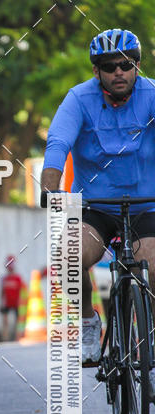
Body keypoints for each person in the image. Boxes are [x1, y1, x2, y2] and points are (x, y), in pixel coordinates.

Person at [42, 29, 155, 384]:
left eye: (126, 65)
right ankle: (89, 322)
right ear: (97, 72)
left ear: (137, 66)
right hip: (95, 205)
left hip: (147, 204)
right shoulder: (78, 99)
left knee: (151, 272)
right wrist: (51, 188)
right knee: (67, 258)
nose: (118, 72)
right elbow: (58, 143)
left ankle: (148, 343)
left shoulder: (152, 94)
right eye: (109, 66)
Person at [0, 255, 24, 341]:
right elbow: (2, 292)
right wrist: (0, 302)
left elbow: (22, 291)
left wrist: (21, 302)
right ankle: (5, 339)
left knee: (17, 321)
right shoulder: (4, 279)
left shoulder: (18, 278)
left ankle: (17, 338)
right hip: (7, 302)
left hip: (16, 302)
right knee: (5, 321)